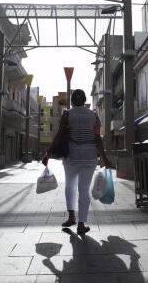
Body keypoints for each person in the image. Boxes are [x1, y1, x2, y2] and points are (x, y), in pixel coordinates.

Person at [43, 89, 111, 234]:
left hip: (71, 157)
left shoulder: (67, 114)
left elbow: (60, 134)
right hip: (89, 156)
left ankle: (72, 217)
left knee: (70, 186)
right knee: (83, 189)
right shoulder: (94, 115)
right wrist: (105, 159)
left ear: (72, 101)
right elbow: (98, 138)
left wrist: (48, 153)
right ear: (85, 100)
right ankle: (81, 224)